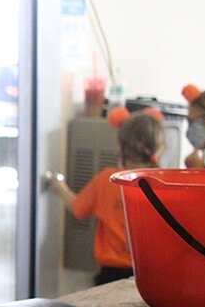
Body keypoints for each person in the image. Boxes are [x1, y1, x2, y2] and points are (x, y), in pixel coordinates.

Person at [48, 108, 165, 285]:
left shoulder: (109, 179)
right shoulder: (165, 184)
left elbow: (79, 209)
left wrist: (59, 187)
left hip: (111, 275)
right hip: (151, 274)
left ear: (120, 147)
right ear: (159, 147)